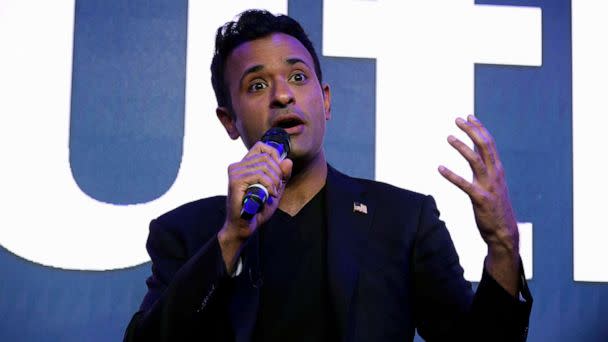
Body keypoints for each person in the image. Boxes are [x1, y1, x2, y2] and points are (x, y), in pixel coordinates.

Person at [124, 9, 532, 342]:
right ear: (229, 121)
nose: (282, 94)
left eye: (298, 77)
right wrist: (231, 238)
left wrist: (503, 245)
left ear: (326, 101)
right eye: (257, 85)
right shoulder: (186, 233)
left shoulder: (404, 220)